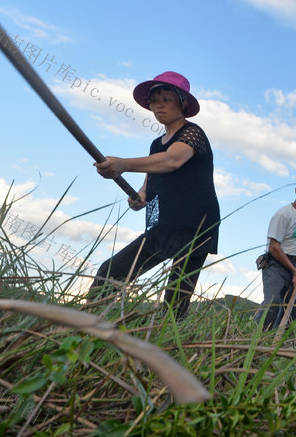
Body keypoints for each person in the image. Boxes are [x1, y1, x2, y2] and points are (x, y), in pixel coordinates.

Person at [89, 71, 220, 318]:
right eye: (154, 100)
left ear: (182, 102)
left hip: (196, 224)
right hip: (165, 224)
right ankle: (87, 325)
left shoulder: (193, 134)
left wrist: (123, 164)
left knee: (175, 299)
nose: (158, 105)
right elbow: (150, 184)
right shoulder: (156, 145)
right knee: (110, 272)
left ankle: (166, 347)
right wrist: (138, 197)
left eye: (166, 98)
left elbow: (172, 160)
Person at [254, 176, 296, 330]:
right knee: (274, 302)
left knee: (293, 306)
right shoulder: (283, 215)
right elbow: (274, 247)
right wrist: (293, 271)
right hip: (276, 264)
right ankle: (258, 339)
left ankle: (281, 343)